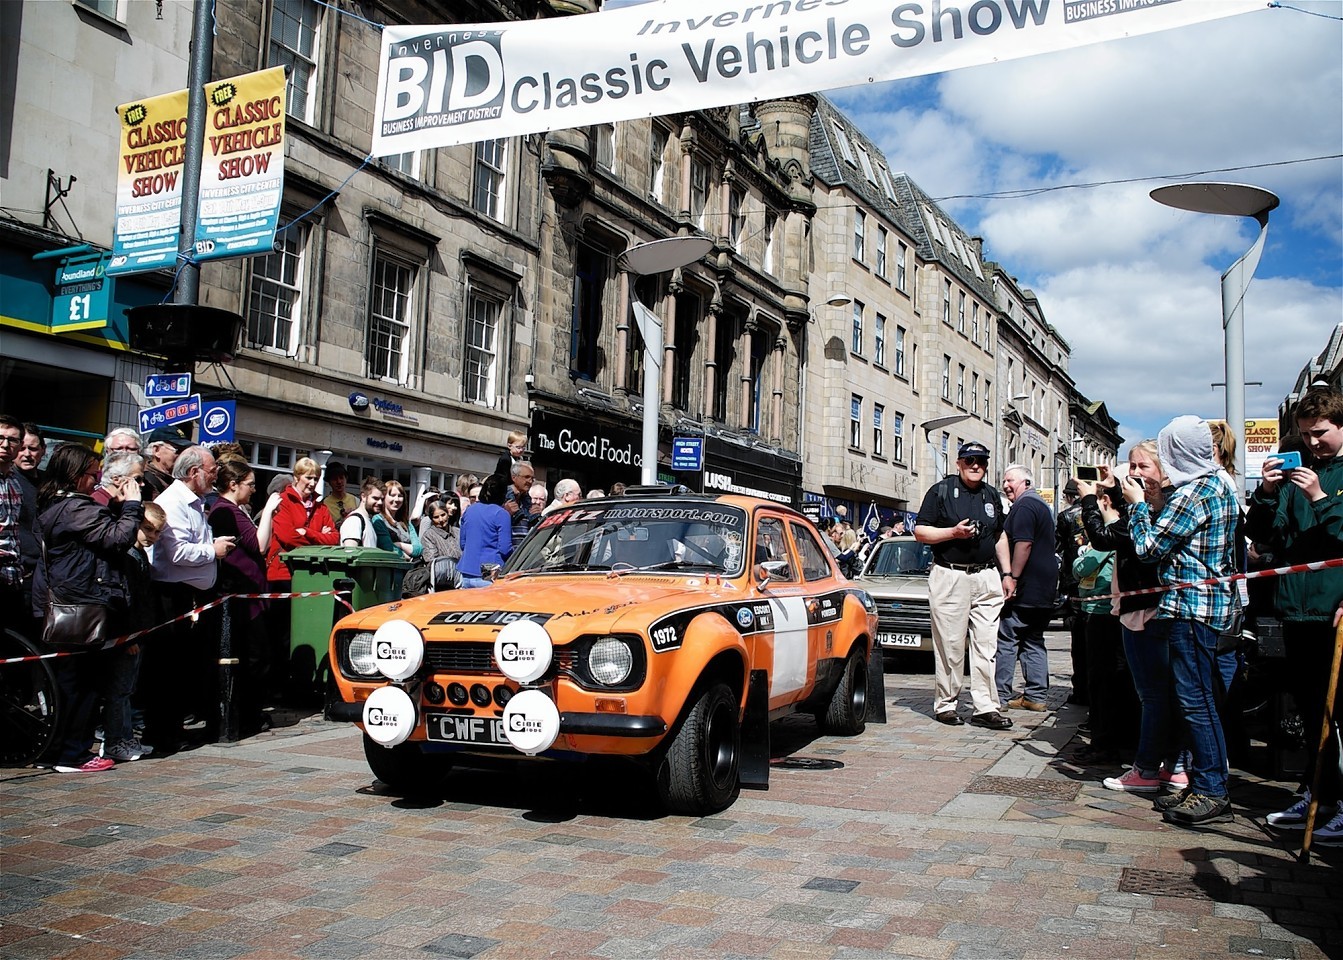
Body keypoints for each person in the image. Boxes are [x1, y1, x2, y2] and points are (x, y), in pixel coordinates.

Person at [1125, 416, 1242, 828]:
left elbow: (1148, 547)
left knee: (1196, 703)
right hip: (1204, 607)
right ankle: (1204, 783)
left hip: (1192, 607)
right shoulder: (1217, 485)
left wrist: (1138, 507)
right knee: (1197, 700)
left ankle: (1211, 787)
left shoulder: (1194, 494)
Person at [1247, 389, 1343, 844]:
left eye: (1320, 433)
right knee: (1309, 708)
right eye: (1306, 435)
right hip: (1295, 611)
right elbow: (1265, 537)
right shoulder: (1294, 477)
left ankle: (1337, 800)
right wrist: (1267, 493)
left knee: (1336, 712)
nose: (1313, 443)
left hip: (1333, 610)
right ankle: (1318, 792)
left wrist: (1322, 498)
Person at [1082, 443, 1188, 795]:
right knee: (1160, 695)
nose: (1135, 473)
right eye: (1132, 465)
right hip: (1140, 606)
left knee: (1157, 695)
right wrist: (1112, 488)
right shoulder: (1148, 505)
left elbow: (1111, 538)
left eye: (1143, 465)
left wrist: (1088, 501)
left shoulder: (1161, 507)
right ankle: (1170, 765)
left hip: (1150, 608)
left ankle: (1150, 767)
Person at [33, 443, 143, 772]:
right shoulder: (74, 508)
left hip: (69, 599)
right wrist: (133, 507)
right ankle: (74, 753)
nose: (97, 481)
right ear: (77, 476)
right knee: (81, 685)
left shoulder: (57, 504)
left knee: (68, 684)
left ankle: (58, 751)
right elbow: (117, 539)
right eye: (93, 475)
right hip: (80, 604)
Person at [914, 441, 1012, 731]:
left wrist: (1007, 573)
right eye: (969, 460)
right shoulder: (941, 491)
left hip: (986, 576)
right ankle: (946, 704)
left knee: (987, 645)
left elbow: (1000, 537)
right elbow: (920, 531)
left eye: (981, 460)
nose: (975, 465)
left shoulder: (991, 494)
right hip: (951, 575)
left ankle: (985, 707)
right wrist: (953, 533)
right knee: (951, 645)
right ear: (959, 463)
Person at [145, 445, 236, 750]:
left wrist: (213, 543)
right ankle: (163, 734)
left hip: (191, 593)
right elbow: (178, 552)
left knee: (182, 666)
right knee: (167, 668)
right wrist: (214, 550)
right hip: (172, 594)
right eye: (212, 471)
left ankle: (173, 730)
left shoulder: (196, 502)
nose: (215, 476)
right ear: (195, 472)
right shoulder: (173, 502)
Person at [210, 459, 281, 737]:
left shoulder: (234, 510)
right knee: (253, 658)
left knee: (257, 658)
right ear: (233, 484)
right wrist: (269, 512)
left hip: (252, 595)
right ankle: (246, 717)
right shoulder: (226, 511)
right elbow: (260, 545)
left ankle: (250, 714)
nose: (253, 489)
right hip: (242, 599)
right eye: (250, 484)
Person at [1069, 480, 1130, 765]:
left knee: (1102, 679)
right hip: (1115, 612)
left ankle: (1104, 741)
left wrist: (1090, 503)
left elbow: (1080, 567)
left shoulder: (1113, 532)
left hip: (1104, 613)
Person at [100, 502, 166, 762]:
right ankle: (116, 740)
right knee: (120, 690)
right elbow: (127, 600)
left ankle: (123, 736)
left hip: (139, 631)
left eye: (157, 532)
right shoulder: (128, 556)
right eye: (148, 530)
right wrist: (129, 636)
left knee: (127, 689)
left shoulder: (139, 555)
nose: (152, 537)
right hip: (128, 635)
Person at [996, 464, 1059, 713]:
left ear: (1026, 482)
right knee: (1033, 639)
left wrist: (1012, 576)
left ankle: (999, 695)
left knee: (1007, 639)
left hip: (1027, 585)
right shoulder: (1041, 505)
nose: (1005, 485)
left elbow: (1023, 544)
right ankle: (1036, 695)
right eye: (1003, 481)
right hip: (1043, 587)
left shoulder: (1024, 506)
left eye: (1010, 480)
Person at [0, 413, 42, 635]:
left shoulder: (14, 484)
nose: (6, 445)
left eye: (13, 440)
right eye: (0, 438)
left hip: (14, 579)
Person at [1055, 479, 1089, 706]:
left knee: (1079, 642)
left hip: (1075, 583)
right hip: (1099, 584)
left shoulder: (1067, 516)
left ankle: (1081, 690)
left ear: (1068, 496)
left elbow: (1056, 547)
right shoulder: (1100, 510)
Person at [459, 474, 513, 588]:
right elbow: (505, 549)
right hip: (489, 573)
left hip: (466, 571)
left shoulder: (469, 511)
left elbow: (463, 544)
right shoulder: (501, 514)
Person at [376, 479, 423, 560]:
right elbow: (388, 547)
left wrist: (398, 544)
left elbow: (418, 549)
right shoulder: (378, 520)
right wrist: (405, 555)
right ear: (384, 497)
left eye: (400, 496)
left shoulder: (406, 523)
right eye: (392, 495)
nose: (397, 499)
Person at [141, 425, 190, 499]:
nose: (182, 456)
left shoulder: (178, 479)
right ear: (157, 450)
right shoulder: (146, 483)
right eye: (178, 451)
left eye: (184, 451)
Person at [503, 460, 541, 549]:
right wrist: (505, 514)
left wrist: (536, 518)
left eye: (532, 478)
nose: (530, 481)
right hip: (508, 553)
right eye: (526, 477)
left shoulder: (527, 501)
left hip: (523, 553)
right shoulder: (502, 496)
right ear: (514, 477)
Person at [340, 477, 385, 547]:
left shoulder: (367, 520)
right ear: (363, 496)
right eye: (375, 498)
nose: (380, 502)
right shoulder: (354, 521)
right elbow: (350, 553)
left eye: (382, 499)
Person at [322, 462, 357, 527]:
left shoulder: (355, 500)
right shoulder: (324, 504)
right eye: (335, 479)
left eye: (341, 478)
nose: (339, 482)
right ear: (329, 482)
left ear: (346, 479)